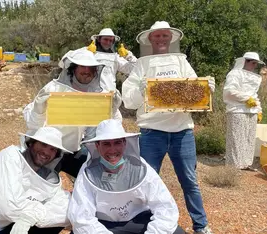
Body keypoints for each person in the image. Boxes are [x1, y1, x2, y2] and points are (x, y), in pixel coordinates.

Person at [122, 21, 214, 234]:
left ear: (170, 38)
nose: (161, 39)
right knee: (146, 181)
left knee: (190, 181)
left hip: (182, 132)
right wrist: (141, 92)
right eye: (157, 36)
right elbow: (129, 101)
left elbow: (195, 91)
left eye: (164, 36)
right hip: (151, 132)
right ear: (150, 39)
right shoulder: (141, 65)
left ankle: (201, 226)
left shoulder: (181, 62)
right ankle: (143, 224)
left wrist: (205, 90)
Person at [68, 119, 185, 234]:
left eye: (117, 142)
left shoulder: (140, 168)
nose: (112, 149)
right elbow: (81, 217)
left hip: (139, 221)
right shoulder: (88, 172)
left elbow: (164, 206)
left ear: (125, 143)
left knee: (176, 232)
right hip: (103, 224)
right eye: (106, 144)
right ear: (97, 146)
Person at [23, 48, 121, 177]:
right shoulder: (53, 89)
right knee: (38, 184)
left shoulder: (99, 95)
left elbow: (112, 128)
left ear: (95, 70)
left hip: (75, 149)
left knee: (98, 175)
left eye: (90, 67)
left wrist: (112, 111)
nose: (86, 71)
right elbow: (32, 124)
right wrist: (38, 108)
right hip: (48, 148)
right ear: (73, 68)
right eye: (82, 66)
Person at [223, 52, 264, 170]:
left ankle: (246, 164)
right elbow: (230, 91)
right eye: (253, 63)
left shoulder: (254, 77)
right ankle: (234, 167)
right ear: (245, 61)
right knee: (236, 139)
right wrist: (246, 99)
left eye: (256, 63)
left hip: (252, 111)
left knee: (248, 139)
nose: (254, 66)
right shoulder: (234, 74)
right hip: (237, 110)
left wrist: (259, 109)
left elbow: (254, 95)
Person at [89, 28, 137, 120]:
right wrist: (85, 53)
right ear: (99, 39)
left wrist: (128, 56)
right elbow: (67, 63)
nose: (108, 42)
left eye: (111, 40)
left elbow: (134, 69)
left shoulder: (115, 57)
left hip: (111, 100)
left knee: (116, 128)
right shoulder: (89, 54)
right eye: (105, 39)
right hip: (93, 99)